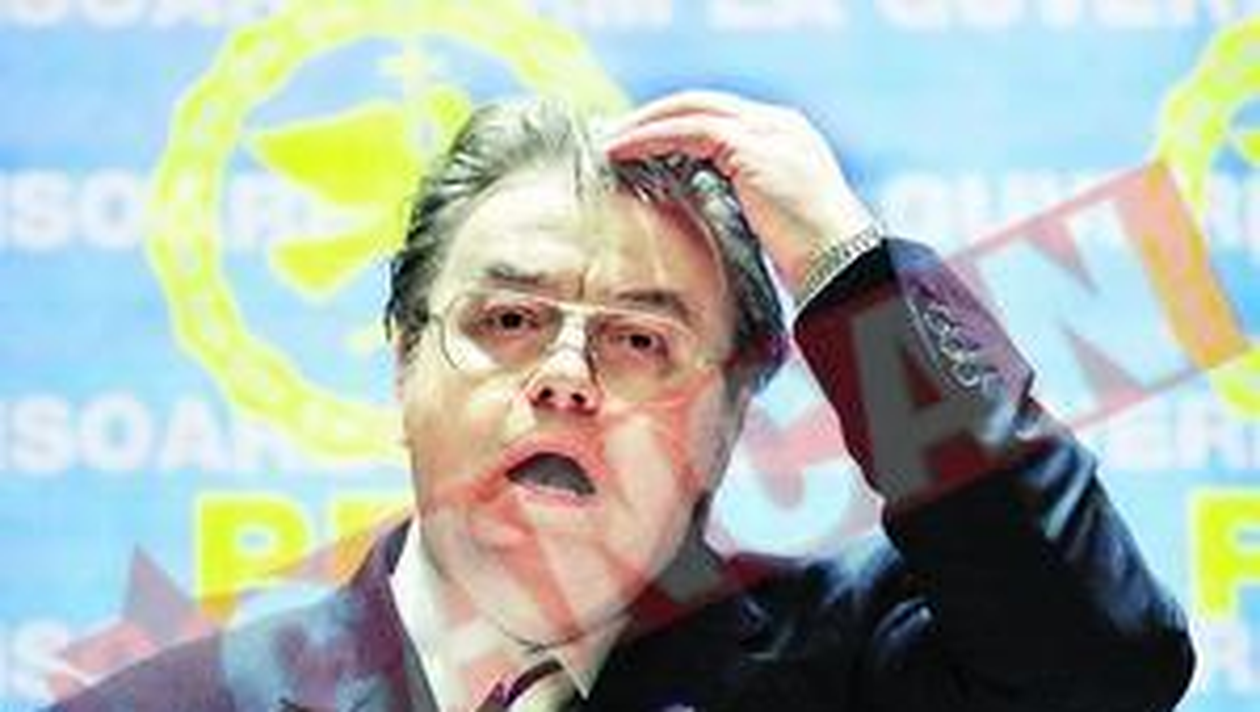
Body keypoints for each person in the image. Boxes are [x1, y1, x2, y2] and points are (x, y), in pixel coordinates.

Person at [46, 91, 1195, 712]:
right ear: (403, 365)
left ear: (730, 416)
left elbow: (1102, 672)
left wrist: (847, 270)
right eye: (507, 320)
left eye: (641, 339)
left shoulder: (851, 670)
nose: (563, 374)